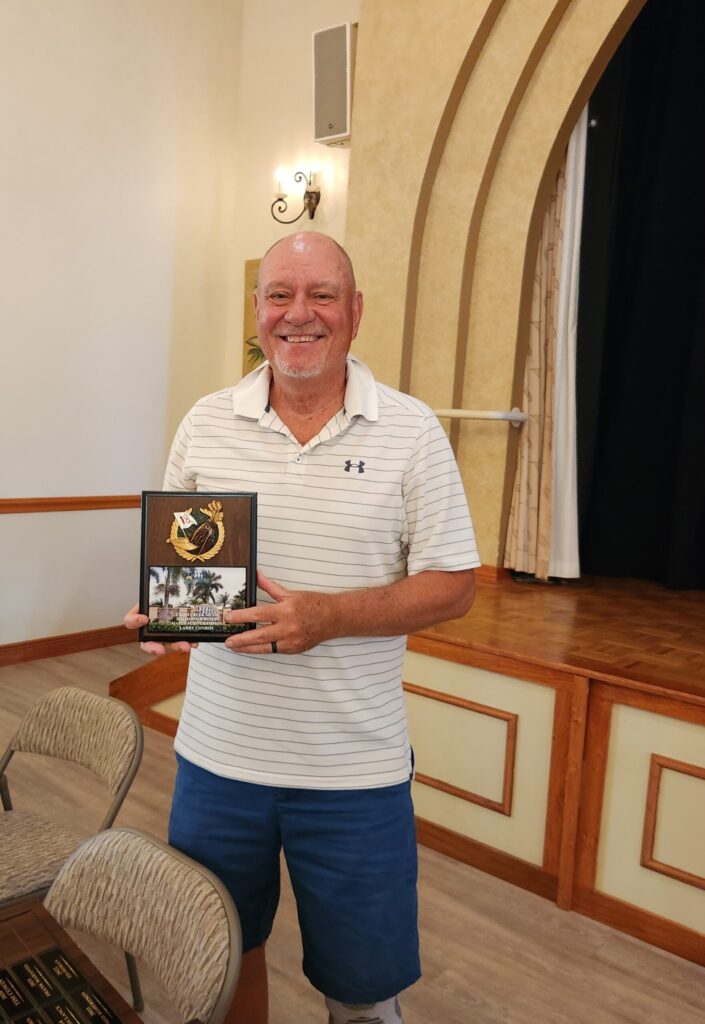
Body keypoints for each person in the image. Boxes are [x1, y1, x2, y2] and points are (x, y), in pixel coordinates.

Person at [125, 231, 479, 1024]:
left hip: (353, 774)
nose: (298, 313)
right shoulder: (207, 421)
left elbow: (454, 587)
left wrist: (329, 616)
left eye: (321, 295)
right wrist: (164, 617)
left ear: (355, 311)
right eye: (279, 294)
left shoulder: (412, 431)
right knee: (221, 960)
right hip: (216, 762)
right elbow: (184, 563)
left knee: (361, 992)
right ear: (256, 311)